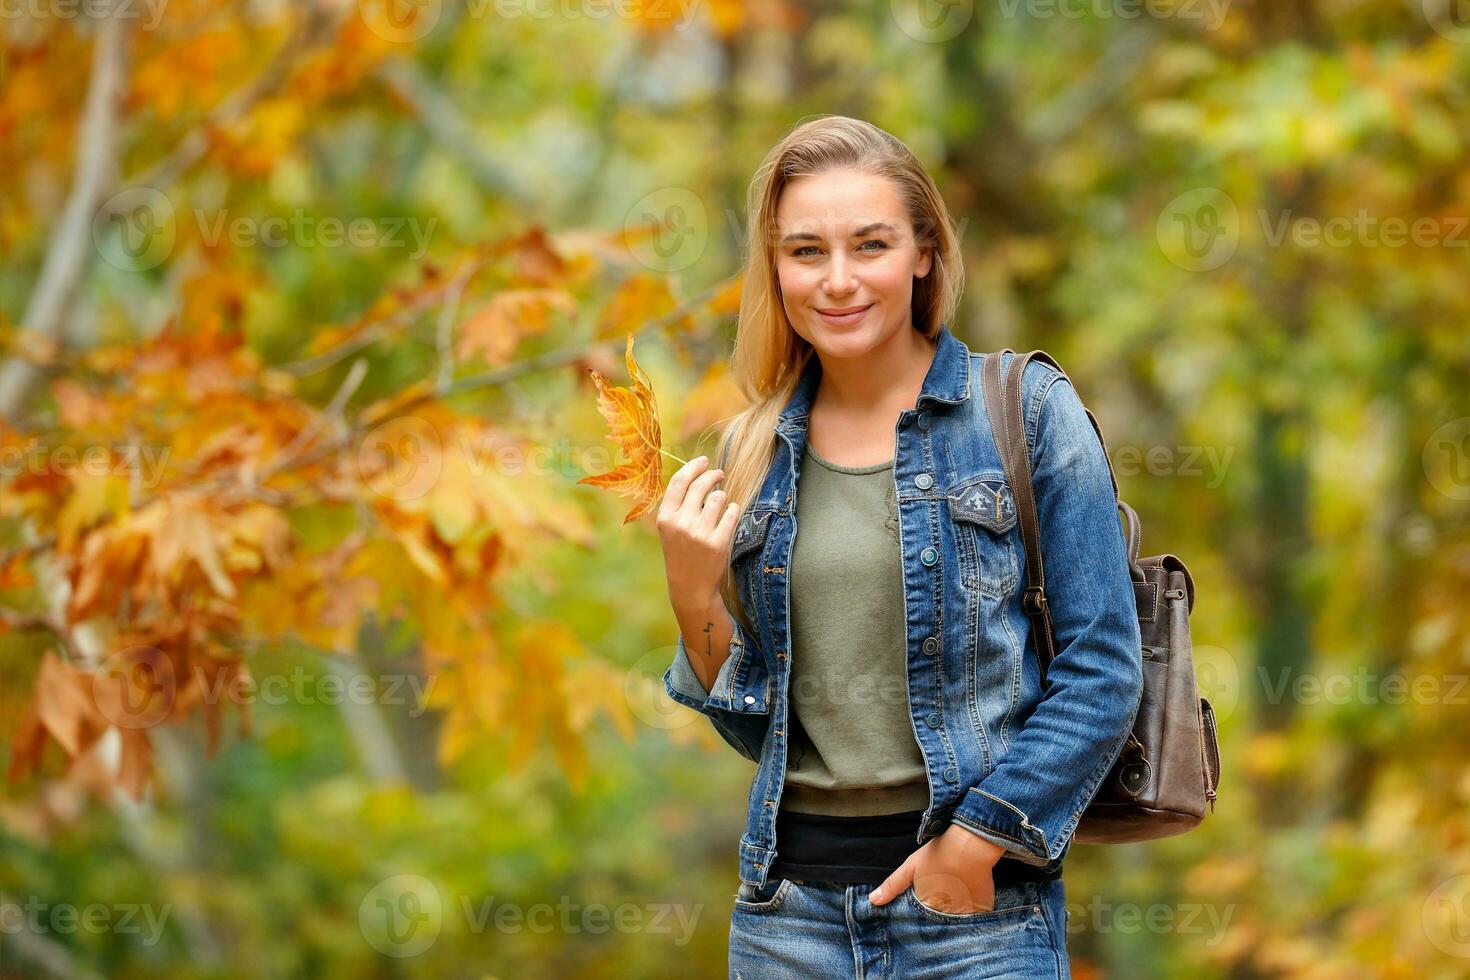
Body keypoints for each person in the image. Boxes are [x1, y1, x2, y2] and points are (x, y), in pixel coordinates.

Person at [657, 115, 1143, 979]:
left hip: (975, 919)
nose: (837, 281)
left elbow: (1103, 668)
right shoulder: (750, 451)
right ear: (774, 267)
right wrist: (694, 597)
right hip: (786, 924)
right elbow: (761, 728)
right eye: (806, 251)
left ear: (924, 252)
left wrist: (975, 841)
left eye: (870, 245)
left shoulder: (1025, 411)